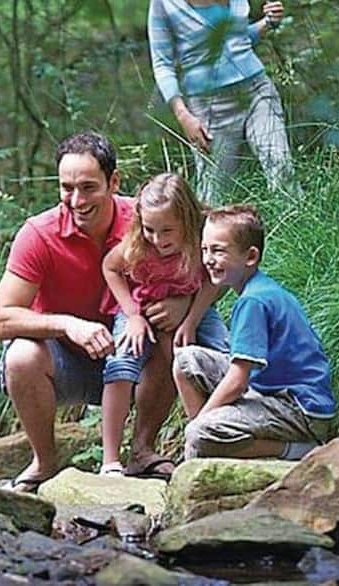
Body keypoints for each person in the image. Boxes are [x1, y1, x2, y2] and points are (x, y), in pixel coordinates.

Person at [0, 131, 229, 492]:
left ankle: (144, 451)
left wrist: (186, 304)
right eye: (66, 187)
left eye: (88, 187)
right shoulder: (38, 234)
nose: (76, 199)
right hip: (65, 365)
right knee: (20, 356)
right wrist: (68, 326)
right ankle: (45, 464)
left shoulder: (149, 218)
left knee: (169, 334)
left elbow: (216, 251)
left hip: (135, 353)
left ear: (113, 181)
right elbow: (1, 319)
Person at [148, 0, 300, 206]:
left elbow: (237, 40)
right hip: (208, 106)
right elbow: (162, 63)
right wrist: (184, 116)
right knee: (214, 196)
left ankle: (305, 242)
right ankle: (209, 249)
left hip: (256, 90)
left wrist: (268, 23)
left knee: (281, 169)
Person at [174, 204, 335, 461]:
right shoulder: (256, 290)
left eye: (218, 250)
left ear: (250, 257)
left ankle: (298, 450)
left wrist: (203, 421)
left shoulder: (254, 301)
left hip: (300, 410)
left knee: (199, 431)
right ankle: (208, 446)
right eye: (205, 249)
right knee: (186, 361)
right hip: (269, 391)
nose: (208, 259)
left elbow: (238, 381)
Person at [99, 173, 221, 477]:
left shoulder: (202, 238)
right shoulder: (139, 243)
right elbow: (111, 268)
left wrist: (191, 318)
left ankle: (220, 439)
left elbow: (214, 280)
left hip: (196, 306)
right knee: (121, 362)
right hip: (141, 307)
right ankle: (110, 459)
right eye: (150, 229)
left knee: (225, 359)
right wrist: (134, 316)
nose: (158, 239)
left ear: (188, 219)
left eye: (167, 230)